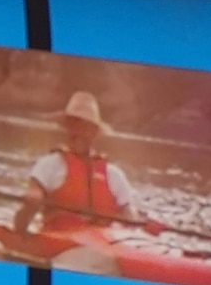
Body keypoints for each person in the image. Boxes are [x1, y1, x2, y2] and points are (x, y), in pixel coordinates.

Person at [19, 88, 134, 237]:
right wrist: (30, 205)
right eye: (73, 125)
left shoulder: (115, 176)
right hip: (57, 242)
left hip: (103, 246)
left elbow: (131, 221)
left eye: (85, 127)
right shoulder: (48, 166)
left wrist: (138, 223)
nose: (78, 132)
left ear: (94, 132)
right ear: (66, 128)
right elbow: (21, 224)